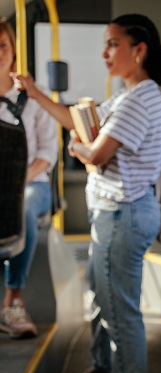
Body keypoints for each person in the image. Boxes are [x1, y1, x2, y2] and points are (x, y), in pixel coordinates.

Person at [15, 13, 161, 373]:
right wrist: (37, 93)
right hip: (117, 212)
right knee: (104, 300)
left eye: (112, 44)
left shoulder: (139, 98)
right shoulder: (128, 95)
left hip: (123, 215)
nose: (104, 52)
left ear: (138, 50)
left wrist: (77, 150)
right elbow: (78, 123)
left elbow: (96, 153)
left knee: (121, 315)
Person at [0, 18, 58, 339]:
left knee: (21, 211)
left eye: (3, 45)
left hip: (30, 184)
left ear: (13, 51)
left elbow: (47, 153)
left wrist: (15, 183)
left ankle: (14, 299)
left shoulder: (34, 98)